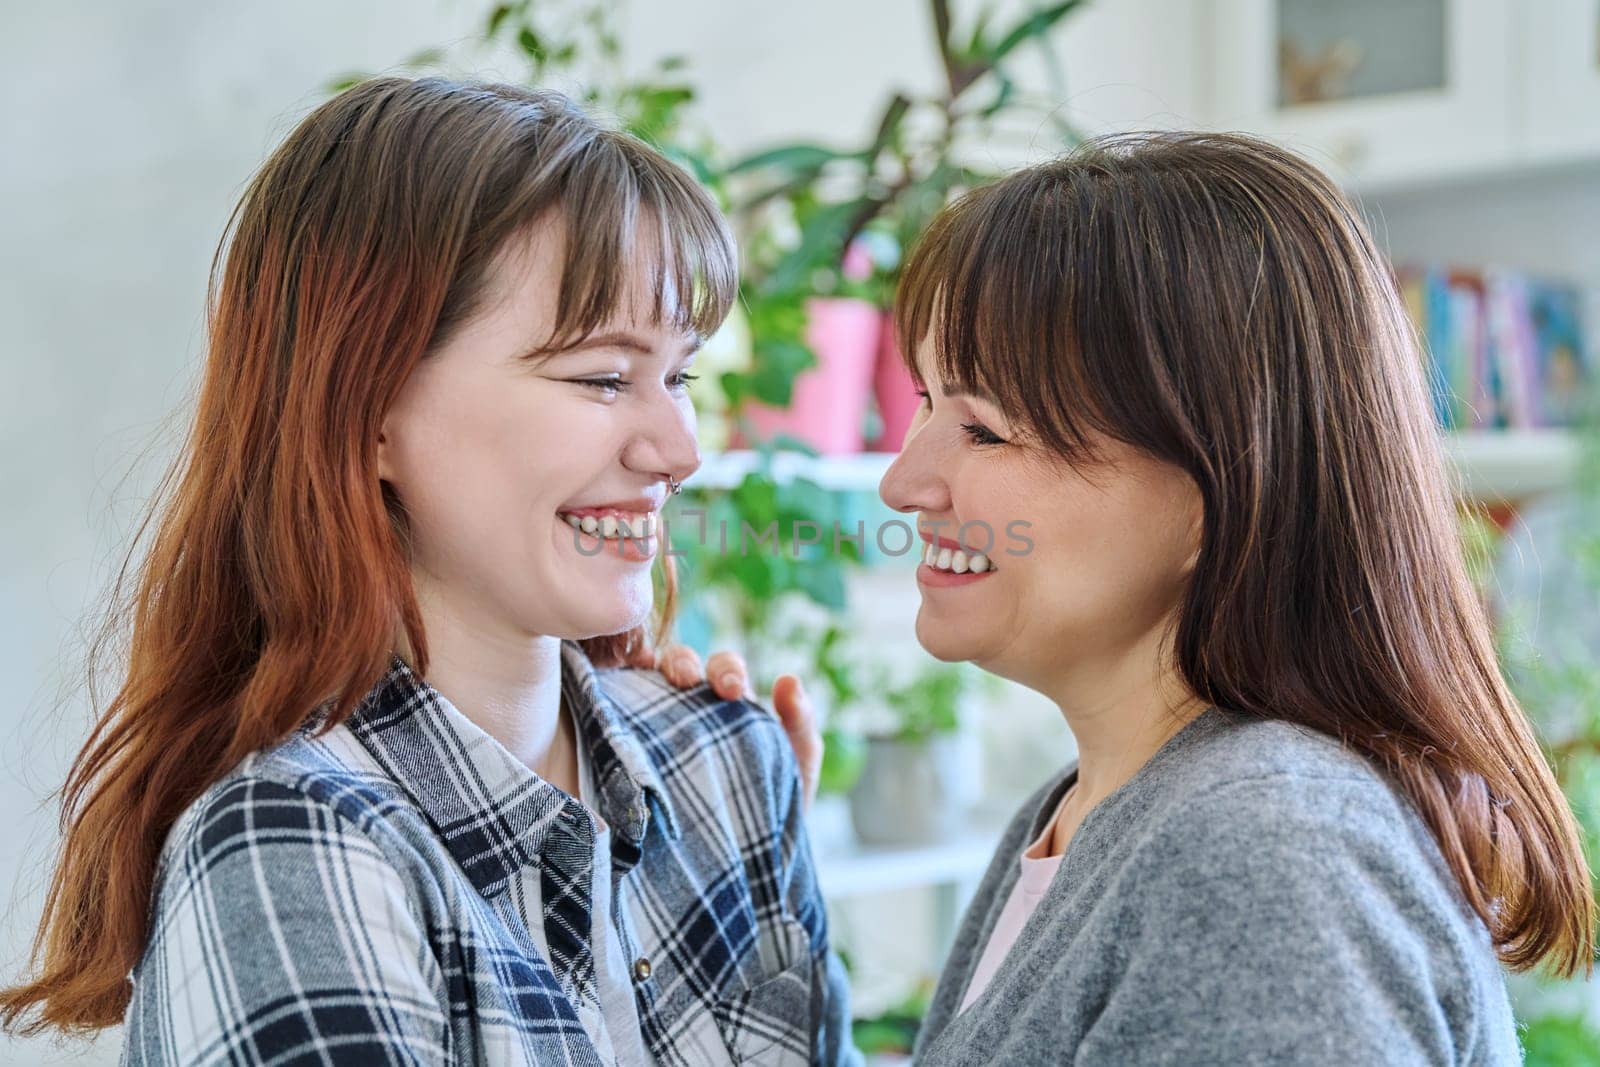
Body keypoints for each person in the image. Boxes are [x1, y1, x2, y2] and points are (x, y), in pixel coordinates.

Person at [1, 77, 854, 1067]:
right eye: (605, 378)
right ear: (367, 412)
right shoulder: (292, 850)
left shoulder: (731, 765)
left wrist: (760, 812)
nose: (679, 448)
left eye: (681, 376)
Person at [867, 131, 1595, 1063]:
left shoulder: (1265, 850)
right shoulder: (1085, 810)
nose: (904, 480)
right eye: (926, 404)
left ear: (1220, 490)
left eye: (986, 430)